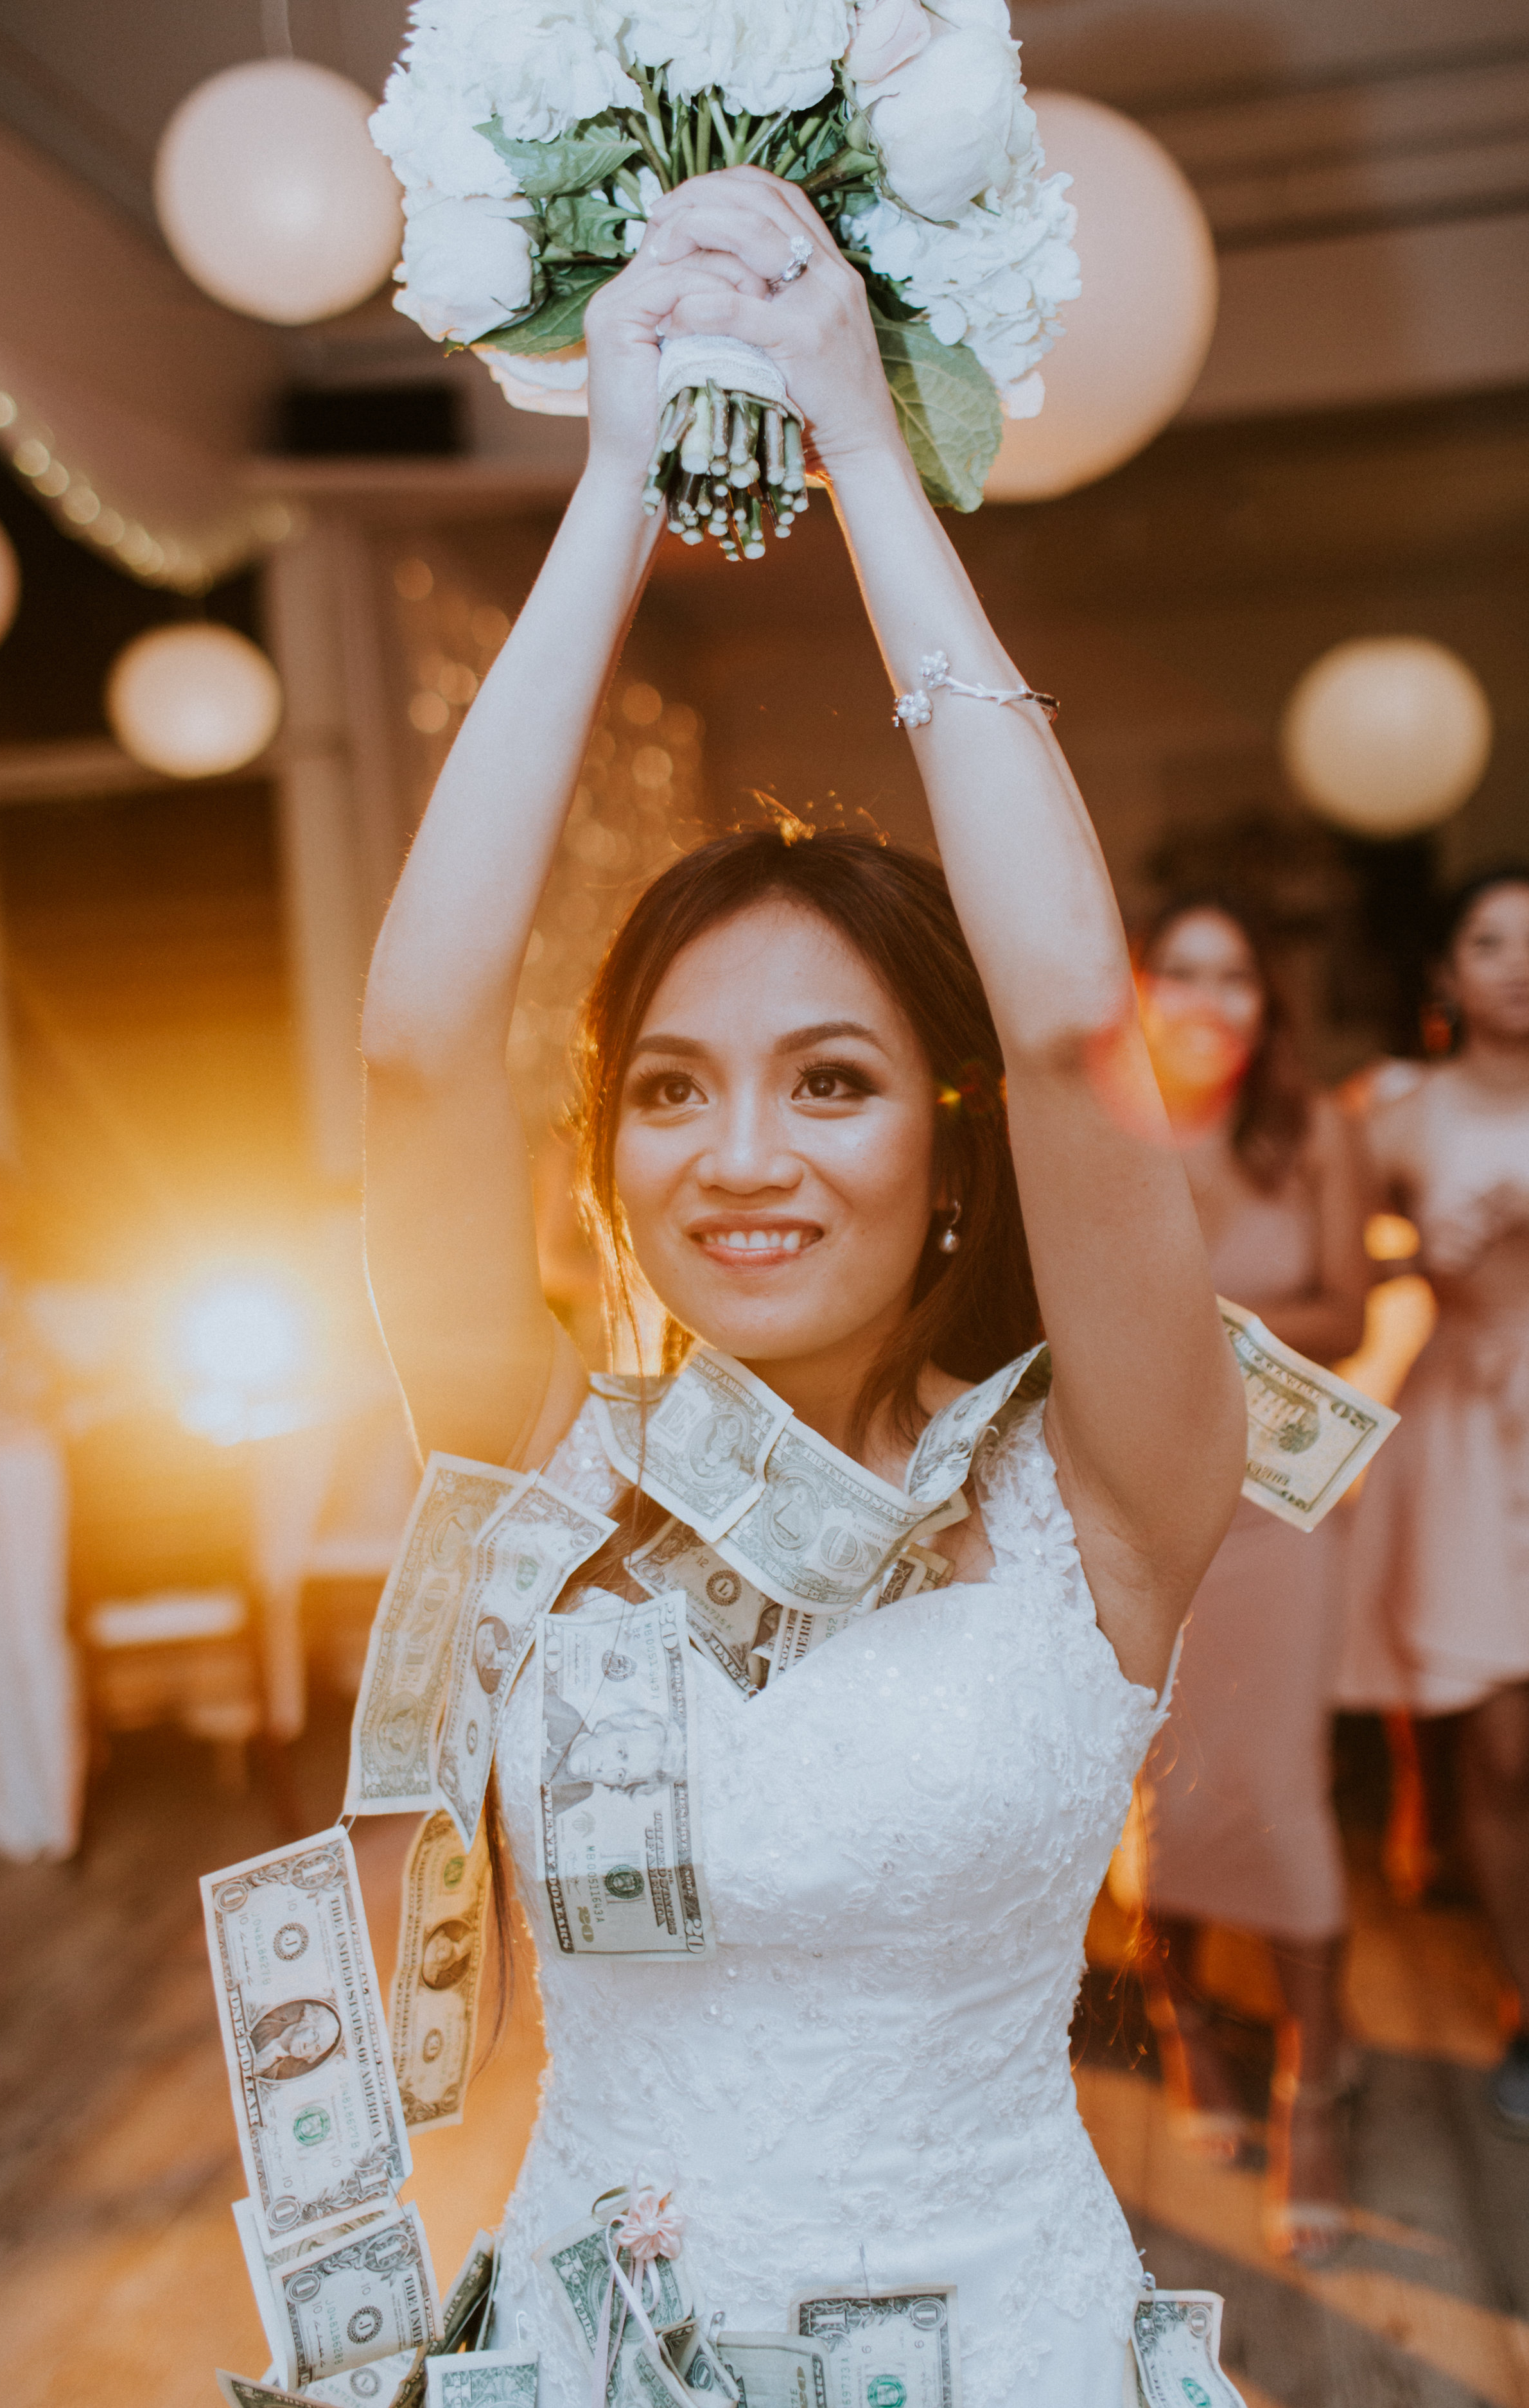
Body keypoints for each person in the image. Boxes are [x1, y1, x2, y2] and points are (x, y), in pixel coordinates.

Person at [359, 167, 1244, 2407]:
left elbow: (1076, 1028)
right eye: (670, 1090)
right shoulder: (542, 1476)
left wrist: (861, 439)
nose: (738, 1155)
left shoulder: (1104, 1494)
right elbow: (416, 1046)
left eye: (829, 1081)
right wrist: (609, 484)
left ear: (948, 1147)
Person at [1130, 898, 1368, 2264]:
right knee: (1159, 1786)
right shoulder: (1105, 1132)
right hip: (1141, 1504)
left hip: (1278, 1516)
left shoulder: (1314, 1132)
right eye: (1181, 970)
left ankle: (1310, 2088)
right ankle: (1183, 2030)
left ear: (1265, 1001)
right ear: (1140, 991)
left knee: (1281, 1787)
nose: (1208, 998)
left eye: (1234, 975)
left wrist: (1206, 1325)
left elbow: (1346, 1307)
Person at [1338, 866, 1529, 2135]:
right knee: (1501, 1746)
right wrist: (1423, 1255)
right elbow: (1331, 1251)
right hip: (1467, 1419)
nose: (1519, 962)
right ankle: (1527, 2003)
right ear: (1447, 974)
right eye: (1490, 940)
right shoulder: (1398, 1110)